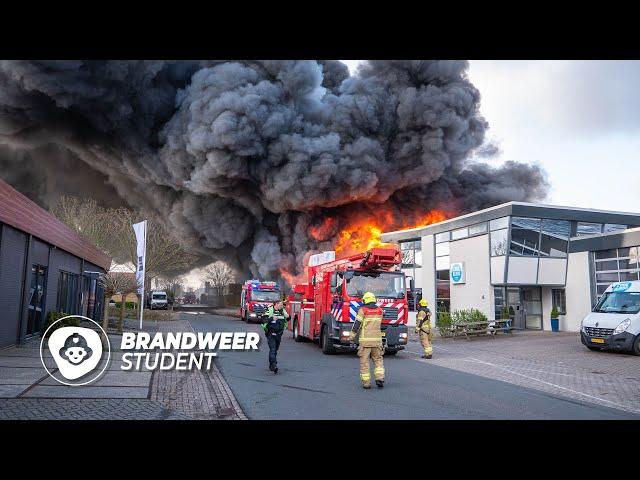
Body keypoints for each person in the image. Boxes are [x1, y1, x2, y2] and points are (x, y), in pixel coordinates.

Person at [350, 291, 385, 389]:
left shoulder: (363, 310)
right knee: (378, 360)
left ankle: (366, 383)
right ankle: (380, 378)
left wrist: (352, 336)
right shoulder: (380, 310)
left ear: (365, 300)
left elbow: (357, 324)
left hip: (365, 342)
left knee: (365, 362)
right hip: (377, 341)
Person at [261, 299, 289, 374]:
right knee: (273, 349)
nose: (281, 306)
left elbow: (287, 319)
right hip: (271, 333)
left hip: (279, 334)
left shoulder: (282, 311)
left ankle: (271, 364)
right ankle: (274, 365)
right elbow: (263, 320)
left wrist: (288, 316)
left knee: (275, 350)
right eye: (280, 305)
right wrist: (271, 318)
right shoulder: (269, 310)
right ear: (276, 304)